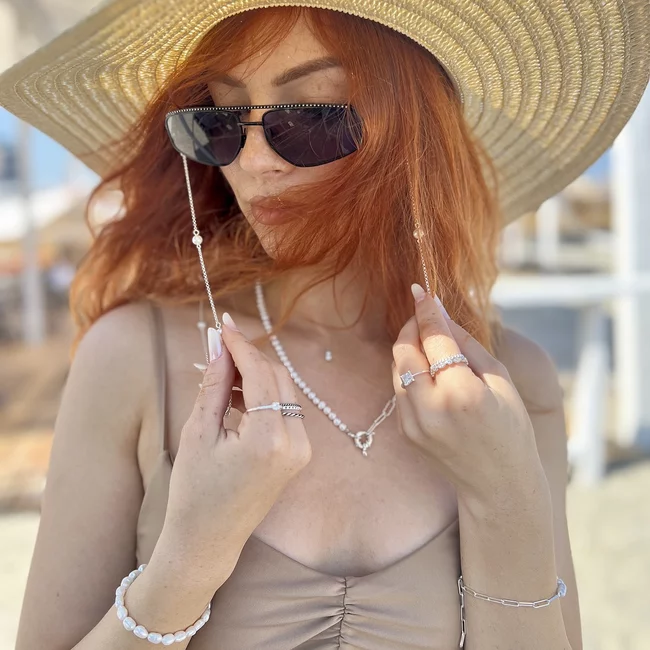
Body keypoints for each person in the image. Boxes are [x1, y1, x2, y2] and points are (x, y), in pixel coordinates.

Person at [2, 1, 647, 649]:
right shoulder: (131, 357)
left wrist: (502, 498)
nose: (256, 161)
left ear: (414, 132)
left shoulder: (511, 385)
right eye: (221, 122)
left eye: (311, 116)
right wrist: (188, 560)